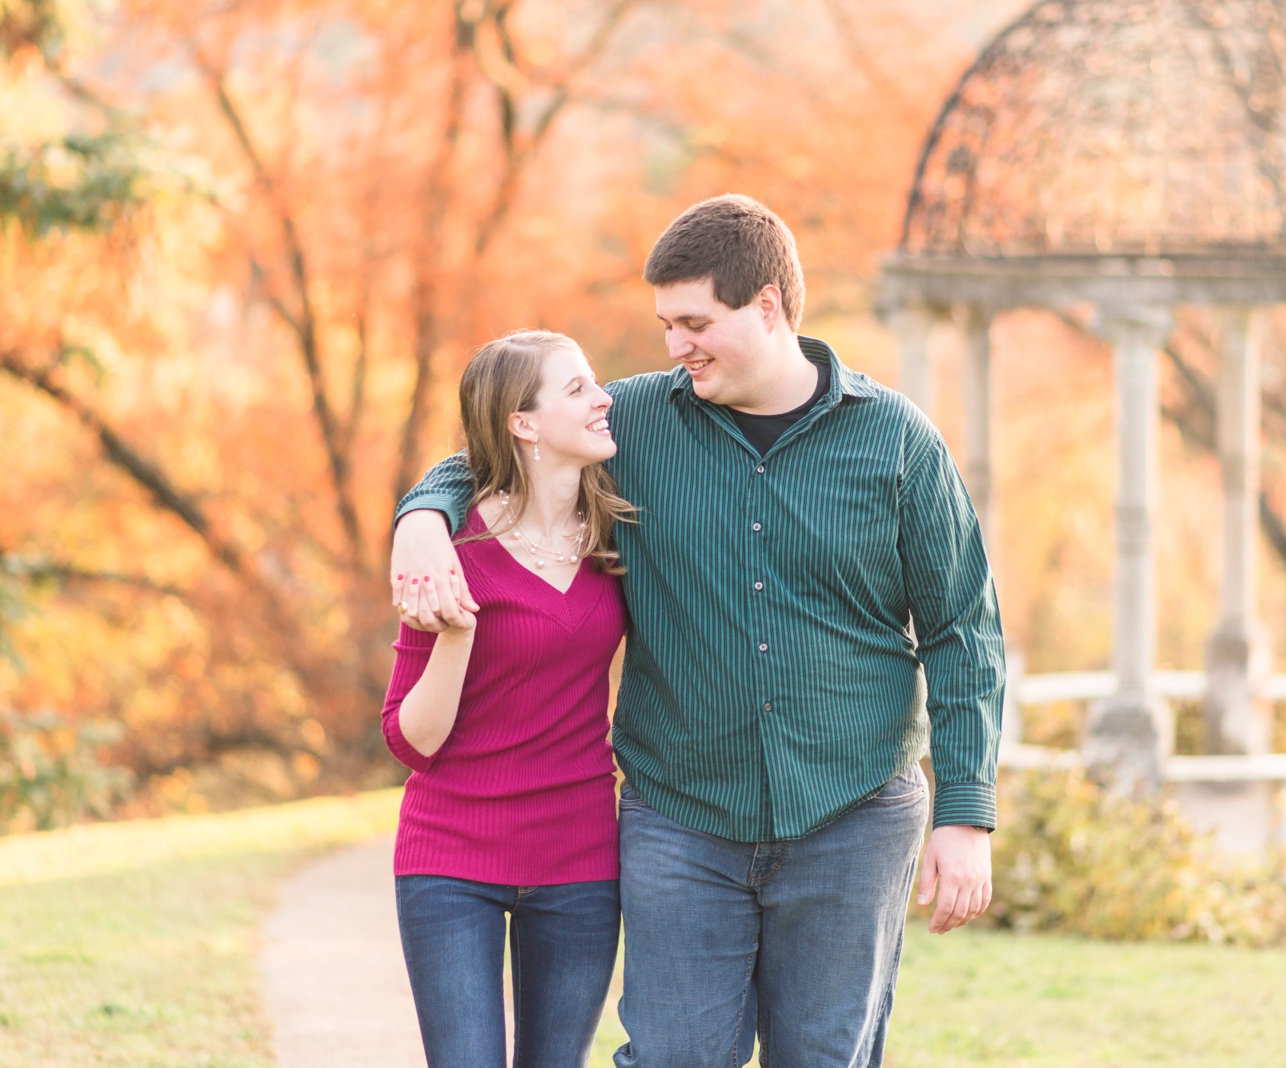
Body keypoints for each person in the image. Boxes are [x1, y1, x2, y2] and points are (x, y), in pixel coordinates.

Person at [391, 195, 1004, 1067]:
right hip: (680, 820)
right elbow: (495, 448)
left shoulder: (896, 442)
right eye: (665, 324)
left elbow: (963, 631)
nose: (674, 344)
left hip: (854, 816)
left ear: (766, 306)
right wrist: (422, 517)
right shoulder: (634, 423)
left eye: (693, 322)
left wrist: (967, 813)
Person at [382, 330, 632, 1068]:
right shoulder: (447, 546)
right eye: (578, 388)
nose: (603, 398)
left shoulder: (619, 534)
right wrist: (457, 633)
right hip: (450, 858)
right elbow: (410, 741)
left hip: (581, 855)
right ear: (523, 424)